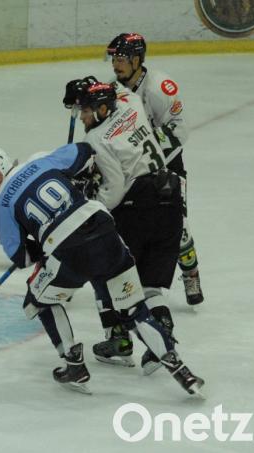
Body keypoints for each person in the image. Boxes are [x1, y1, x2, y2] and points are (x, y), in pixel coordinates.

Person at [0, 144, 203, 396]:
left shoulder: (0, 208)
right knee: (135, 309)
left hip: (71, 251)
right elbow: (84, 151)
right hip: (106, 231)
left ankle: (74, 364)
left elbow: (22, 256)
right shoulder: (40, 158)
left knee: (36, 300)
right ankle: (181, 371)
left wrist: (35, 234)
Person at [62, 78, 183, 374]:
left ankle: (119, 341)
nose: (82, 117)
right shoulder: (130, 102)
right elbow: (120, 89)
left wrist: (90, 205)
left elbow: (114, 190)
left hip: (138, 208)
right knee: (152, 287)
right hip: (172, 200)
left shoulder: (96, 139)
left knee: (108, 271)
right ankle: (163, 339)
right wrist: (92, 86)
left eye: (87, 111)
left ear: (103, 109)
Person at [107, 32, 204, 306]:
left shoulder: (160, 87)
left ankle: (191, 272)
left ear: (138, 60)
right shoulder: (113, 92)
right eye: (114, 58)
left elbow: (180, 130)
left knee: (178, 226)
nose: (116, 64)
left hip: (167, 165)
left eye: (122, 58)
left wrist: (147, 145)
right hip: (134, 169)